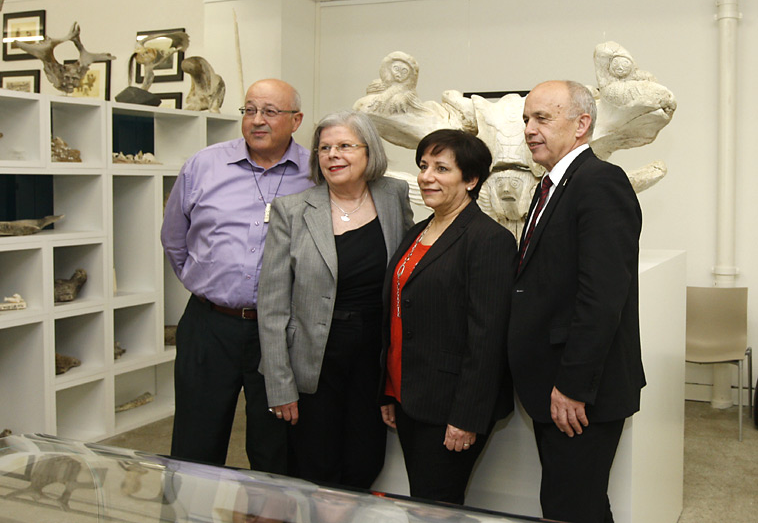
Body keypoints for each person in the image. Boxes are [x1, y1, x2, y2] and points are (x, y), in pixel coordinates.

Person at [161, 78, 313, 473]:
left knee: (275, 445)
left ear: (295, 120)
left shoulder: (315, 173)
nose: (257, 120)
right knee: (196, 441)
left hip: (279, 331)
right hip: (209, 325)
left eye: (270, 112)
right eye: (249, 110)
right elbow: (174, 239)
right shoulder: (203, 165)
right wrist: (210, 286)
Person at [510, 80, 645, 523]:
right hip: (555, 385)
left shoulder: (600, 182)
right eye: (527, 119)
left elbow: (603, 296)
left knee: (573, 508)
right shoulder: (551, 184)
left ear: (581, 124)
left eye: (542, 118)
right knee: (571, 505)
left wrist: (573, 385)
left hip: (580, 390)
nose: (529, 129)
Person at [259, 110, 413, 488]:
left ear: (368, 152)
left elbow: (409, 268)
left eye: (344, 146)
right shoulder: (292, 211)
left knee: (365, 459)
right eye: (324, 148)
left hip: (373, 358)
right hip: (314, 358)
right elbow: (273, 304)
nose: (332, 155)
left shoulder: (393, 195)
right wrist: (280, 385)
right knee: (316, 464)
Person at [379, 129, 515, 504]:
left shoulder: (488, 239)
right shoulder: (418, 231)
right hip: (409, 396)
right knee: (424, 500)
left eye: (441, 168)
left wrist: (467, 417)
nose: (426, 177)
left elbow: (487, 336)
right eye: (424, 166)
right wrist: (388, 390)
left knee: (436, 506)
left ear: (471, 180)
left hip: (448, 405)